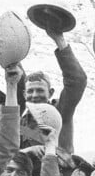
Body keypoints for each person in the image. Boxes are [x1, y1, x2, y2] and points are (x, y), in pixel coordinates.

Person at [23, 26, 87, 154]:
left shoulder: (60, 111)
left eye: (40, 90)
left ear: (50, 93)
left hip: (60, 171)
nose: (34, 95)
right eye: (30, 91)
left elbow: (77, 81)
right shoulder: (20, 121)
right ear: (24, 94)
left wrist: (59, 40)